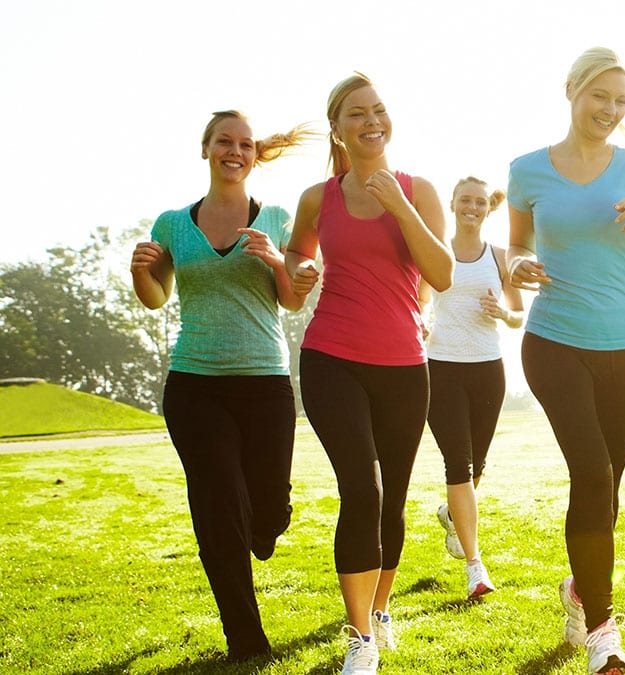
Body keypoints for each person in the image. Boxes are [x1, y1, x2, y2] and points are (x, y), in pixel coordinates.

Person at [506, 47, 625, 675]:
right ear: (572, 91)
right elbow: (517, 247)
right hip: (555, 343)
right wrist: (518, 265)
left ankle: (578, 590)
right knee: (595, 475)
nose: (609, 109)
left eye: (620, 101)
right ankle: (604, 630)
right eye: (599, 95)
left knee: (605, 489)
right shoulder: (526, 170)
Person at [284, 73, 454, 675]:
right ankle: (359, 639)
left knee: (393, 498)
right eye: (356, 113)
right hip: (330, 355)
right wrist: (299, 272)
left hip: (404, 365)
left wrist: (400, 207)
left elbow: (441, 273)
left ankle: (380, 610)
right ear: (338, 128)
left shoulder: (419, 189)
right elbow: (297, 255)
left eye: (378, 110)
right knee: (361, 488)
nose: (370, 121)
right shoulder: (317, 197)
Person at [130, 110, 311, 663]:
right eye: (224, 142)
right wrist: (140, 271)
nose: (235, 151)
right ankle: (246, 639)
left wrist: (283, 262)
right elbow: (156, 298)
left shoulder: (277, 218)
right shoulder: (172, 224)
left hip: (265, 383)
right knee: (218, 506)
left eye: (246, 144)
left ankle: (265, 526)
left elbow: (292, 299)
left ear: (256, 155)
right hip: (195, 385)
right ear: (206, 149)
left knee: (269, 511)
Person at [423, 176, 523, 600]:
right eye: (465, 200)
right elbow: (418, 299)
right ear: (452, 204)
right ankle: (474, 567)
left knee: (475, 467)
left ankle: (451, 513)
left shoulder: (499, 258)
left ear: (488, 208)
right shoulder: (435, 252)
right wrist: (421, 320)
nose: (472, 207)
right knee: (458, 466)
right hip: (440, 368)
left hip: (487, 370)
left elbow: (519, 315)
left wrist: (502, 311)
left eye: (480, 202)